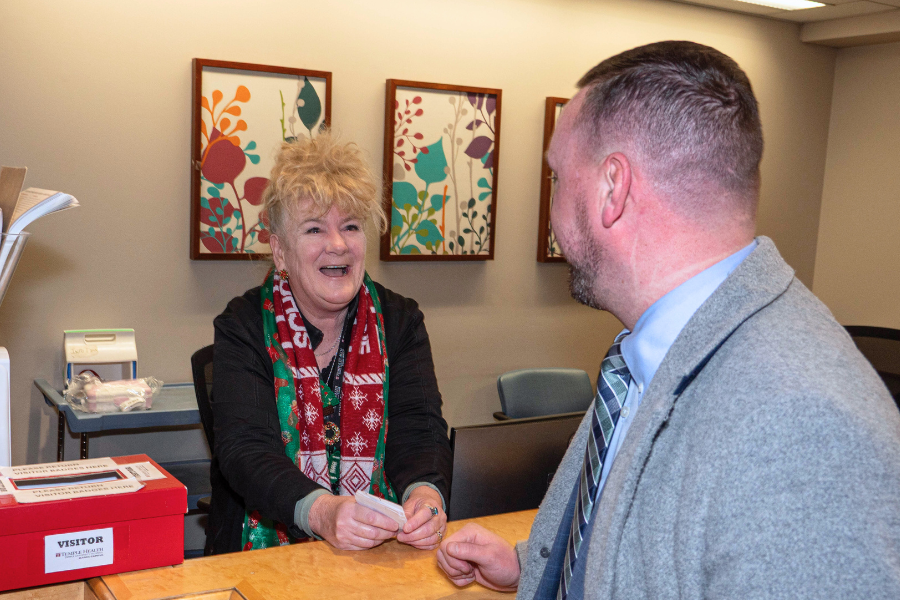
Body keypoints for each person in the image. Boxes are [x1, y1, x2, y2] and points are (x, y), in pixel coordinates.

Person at [438, 41, 900, 598]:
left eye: (558, 177)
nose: (555, 209)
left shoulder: (800, 428)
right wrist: (538, 562)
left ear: (614, 187)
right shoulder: (659, 350)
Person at [206, 132, 452, 555]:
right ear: (280, 251)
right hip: (264, 555)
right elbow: (245, 449)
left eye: (351, 226)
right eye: (315, 228)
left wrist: (426, 496)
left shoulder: (401, 320)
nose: (337, 244)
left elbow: (420, 429)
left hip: (381, 552)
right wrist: (322, 512)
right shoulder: (243, 324)